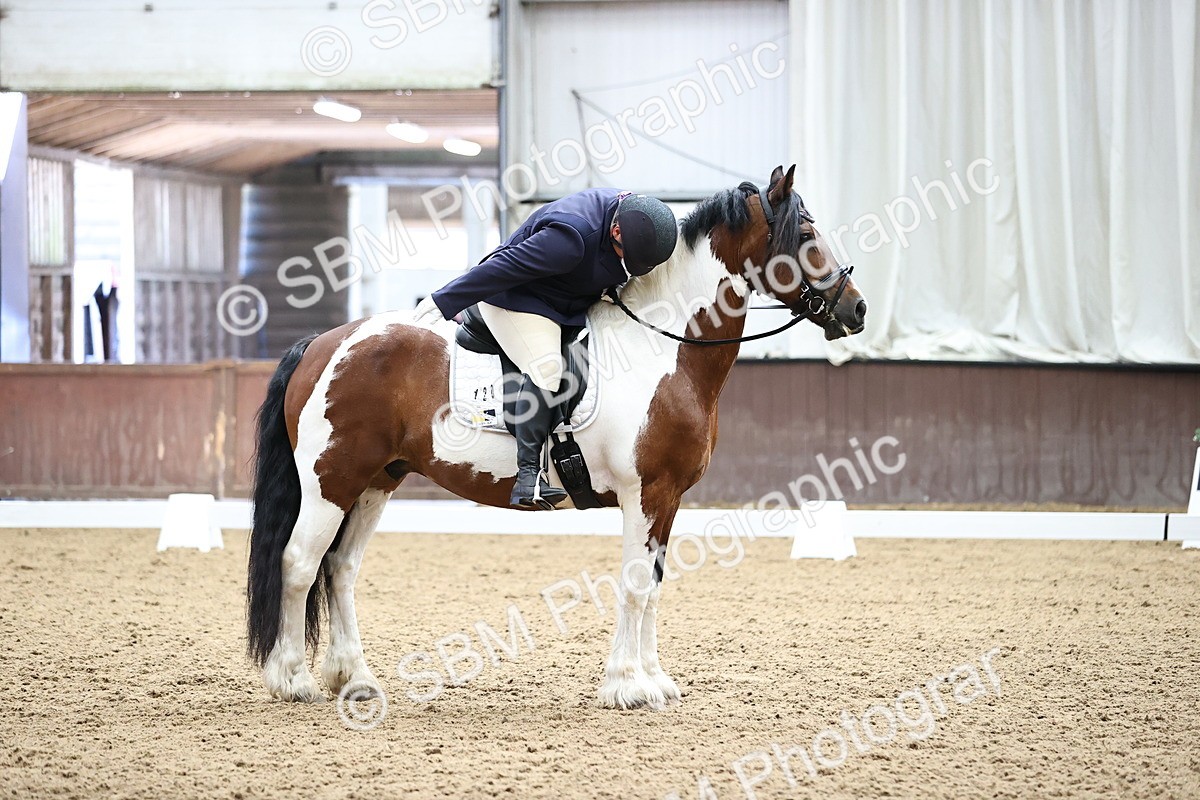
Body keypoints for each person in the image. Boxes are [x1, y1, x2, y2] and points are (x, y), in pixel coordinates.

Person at [428, 188, 678, 509]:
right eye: (623, 254)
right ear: (616, 231)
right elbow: (501, 267)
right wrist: (445, 300)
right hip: (517, 300)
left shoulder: (632, 216)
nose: (625, 264)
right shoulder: (568, 240)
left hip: (563, 300)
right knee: (548, 368)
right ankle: (528, 477)